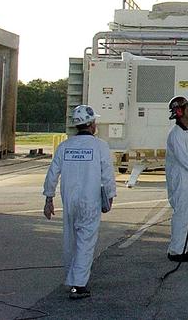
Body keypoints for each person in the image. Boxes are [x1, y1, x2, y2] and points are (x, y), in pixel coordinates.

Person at [42, 105, 116, 299]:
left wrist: (49, 198)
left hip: (70, 201)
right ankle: (78, 285)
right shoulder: (100, 146)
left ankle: (71, 278)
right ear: (91, 124)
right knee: (85, 241)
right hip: (89, 200)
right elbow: (107, 174)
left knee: (70, 240)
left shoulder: (65, 146)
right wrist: (110, 195)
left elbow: (52, 174)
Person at [165, 96, 188, 262]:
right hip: (181, 178)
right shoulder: (176, 134)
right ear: (180, 112)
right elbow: (184, 157)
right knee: (182, 214)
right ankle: (176, 251)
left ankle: (183, 247)